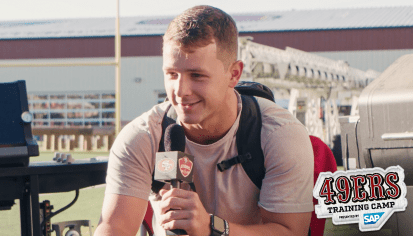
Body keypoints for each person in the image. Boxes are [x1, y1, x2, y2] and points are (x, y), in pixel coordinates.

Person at [95, 5, 314, 236]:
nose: (180, 91)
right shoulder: (143, 136)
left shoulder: (278, 133)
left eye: (197, 75)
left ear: (234, 74)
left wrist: (212, 228)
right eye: (172, 74)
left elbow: (290, 232)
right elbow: (114, 227)